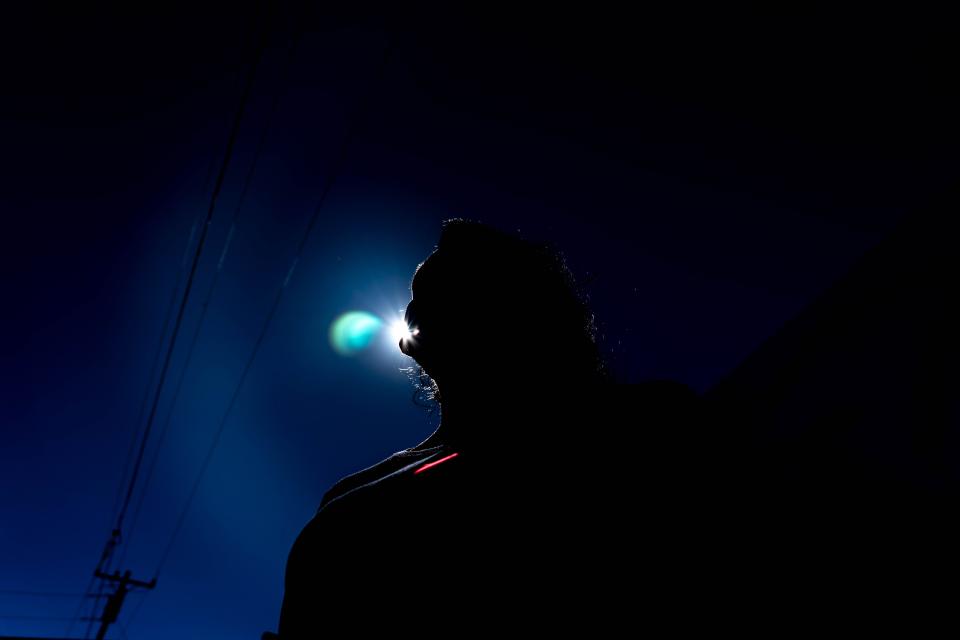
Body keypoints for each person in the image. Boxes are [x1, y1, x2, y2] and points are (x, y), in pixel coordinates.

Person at [268, 220, 700, 638]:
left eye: (459, 291)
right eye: (419, 296)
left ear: (523, 310)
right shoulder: (345, 496)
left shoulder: (640, 427)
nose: (421, 307)